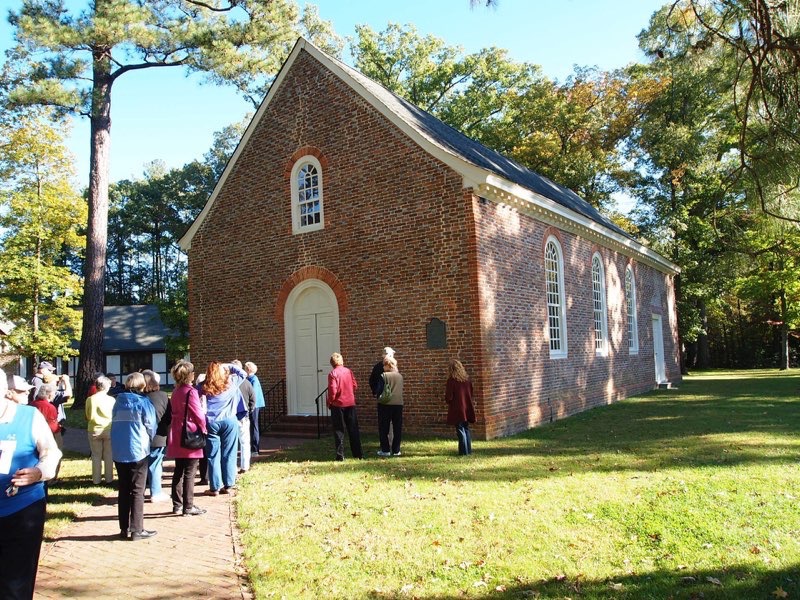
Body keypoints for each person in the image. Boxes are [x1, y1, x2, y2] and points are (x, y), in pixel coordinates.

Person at [0, 367, 62, 599]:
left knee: (15, 585)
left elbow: (51, 453)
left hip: (22, 508)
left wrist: (39, 472)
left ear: (5, 392)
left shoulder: (29, 416)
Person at [111, 372, 157, 541]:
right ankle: (137, 529)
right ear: (142, 385)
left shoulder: (118, 402)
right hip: (138, 449)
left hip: (119, 449)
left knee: (123, 489)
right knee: (138, 490)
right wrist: (149, 439)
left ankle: (123, 528)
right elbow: (151, 425)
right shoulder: (144, 402)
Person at [166, 360, 207, 517]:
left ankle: (177, 504)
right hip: (189, 432)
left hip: (176, 432)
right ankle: (188, 506)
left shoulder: (176, 391)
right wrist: (204, 428)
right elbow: (198, 413)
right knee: (190, 471)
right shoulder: (191, 391)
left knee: (179, 470)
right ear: (189, 374)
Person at [203, 361, 245, 495]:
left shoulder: (204, 386)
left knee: (212, 455)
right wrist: (228, 366)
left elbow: (195, 389)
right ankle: (228, 484)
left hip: (211, 422)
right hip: (229, 421)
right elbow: (242, 373)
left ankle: (214, 487)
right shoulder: (231, 383)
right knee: (229, 453)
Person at [326, 352, 363, 461]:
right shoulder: (349, 371)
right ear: (341, 361)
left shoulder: (333, 374)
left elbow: (333, 391)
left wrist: (330, 402)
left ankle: (340, 455)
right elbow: (355, 385)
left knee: (339, 430)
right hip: (350, 403)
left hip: (338, 405)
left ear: (332, 363)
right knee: (353, 429)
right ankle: (358, 454)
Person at [143, 370, 171, 502]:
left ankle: (139, 491)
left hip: (141, 436)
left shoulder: (139, 397)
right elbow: (169, 416)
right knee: (155, 464)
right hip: (159, 435)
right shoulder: (163, 395)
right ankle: (156, 492)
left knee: (141, 464)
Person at [85, 376, 116, 485]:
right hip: (108, 428)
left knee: (96, 455)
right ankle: (109, 478)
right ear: (107, 387)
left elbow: (88, 415)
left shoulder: (90, 399)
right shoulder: (111, 400)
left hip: (94, 428)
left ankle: (96, 480)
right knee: (109, 454)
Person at [444, 359, 476, 456]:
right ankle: (468, 450)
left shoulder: (451, 381)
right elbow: (471, 393)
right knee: (465, 429)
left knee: (460, 430)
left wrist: (448, 400)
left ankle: (463, 452)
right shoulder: (467, 380)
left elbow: (449, 397)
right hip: (467, 408)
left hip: (457, 409)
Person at [377, 355, 404, 457]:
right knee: (397, 427)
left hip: (385, 403)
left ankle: (386, 450)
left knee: (384, 427)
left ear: (387, 365)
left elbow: (379, 390)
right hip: (398, 403)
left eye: (384, 364)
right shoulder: (400, 376)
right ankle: (396, 450)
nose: (383, 366)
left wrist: (378, 396)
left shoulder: (383, 376)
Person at [245, 361, 265, 456]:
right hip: (253, 405)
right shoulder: (250, 378)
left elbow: (253, 393)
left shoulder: (253, 379)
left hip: (254, 405)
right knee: (252, 426)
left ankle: (255, 449)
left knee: (254, 426)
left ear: (248, 370)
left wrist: (251, 406)